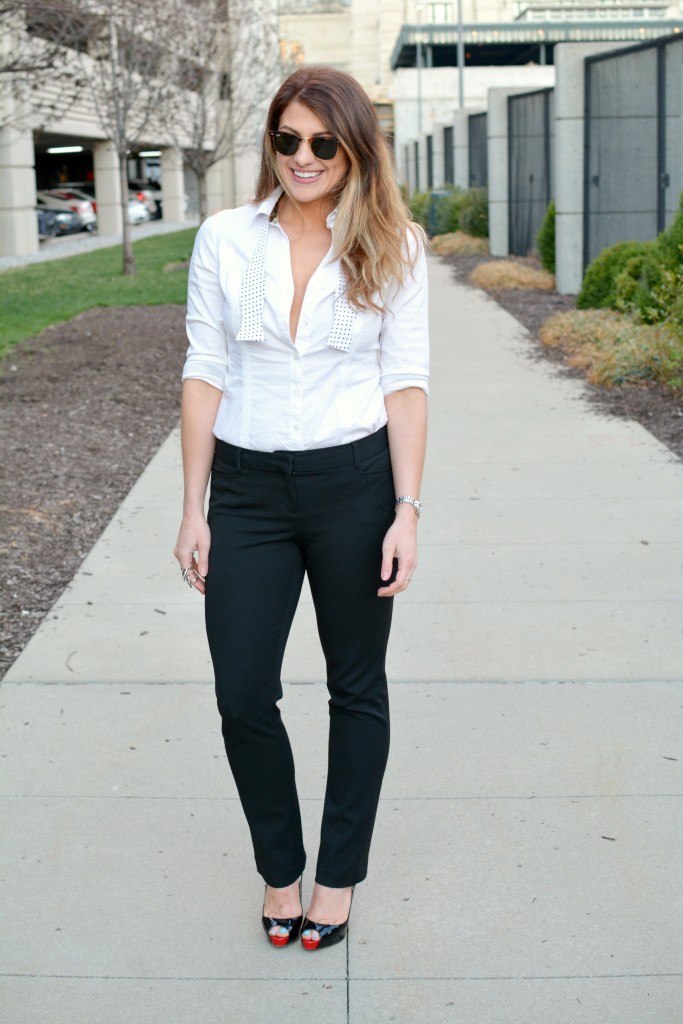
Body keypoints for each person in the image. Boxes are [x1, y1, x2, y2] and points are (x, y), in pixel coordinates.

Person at [174, 65, 429, 951]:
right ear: (270, 144)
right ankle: (279, 872)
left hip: (354, 487)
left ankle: (336, 881)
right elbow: (204, 370)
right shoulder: (224, 237)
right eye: (287, 139)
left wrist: (406, 509)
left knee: (356, 689)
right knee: (243, 692)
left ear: (354, 147)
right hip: (246, 491)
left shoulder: (395, 242)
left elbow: (404, 383)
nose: (303, 157)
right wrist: (193, 507)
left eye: (323, 141)